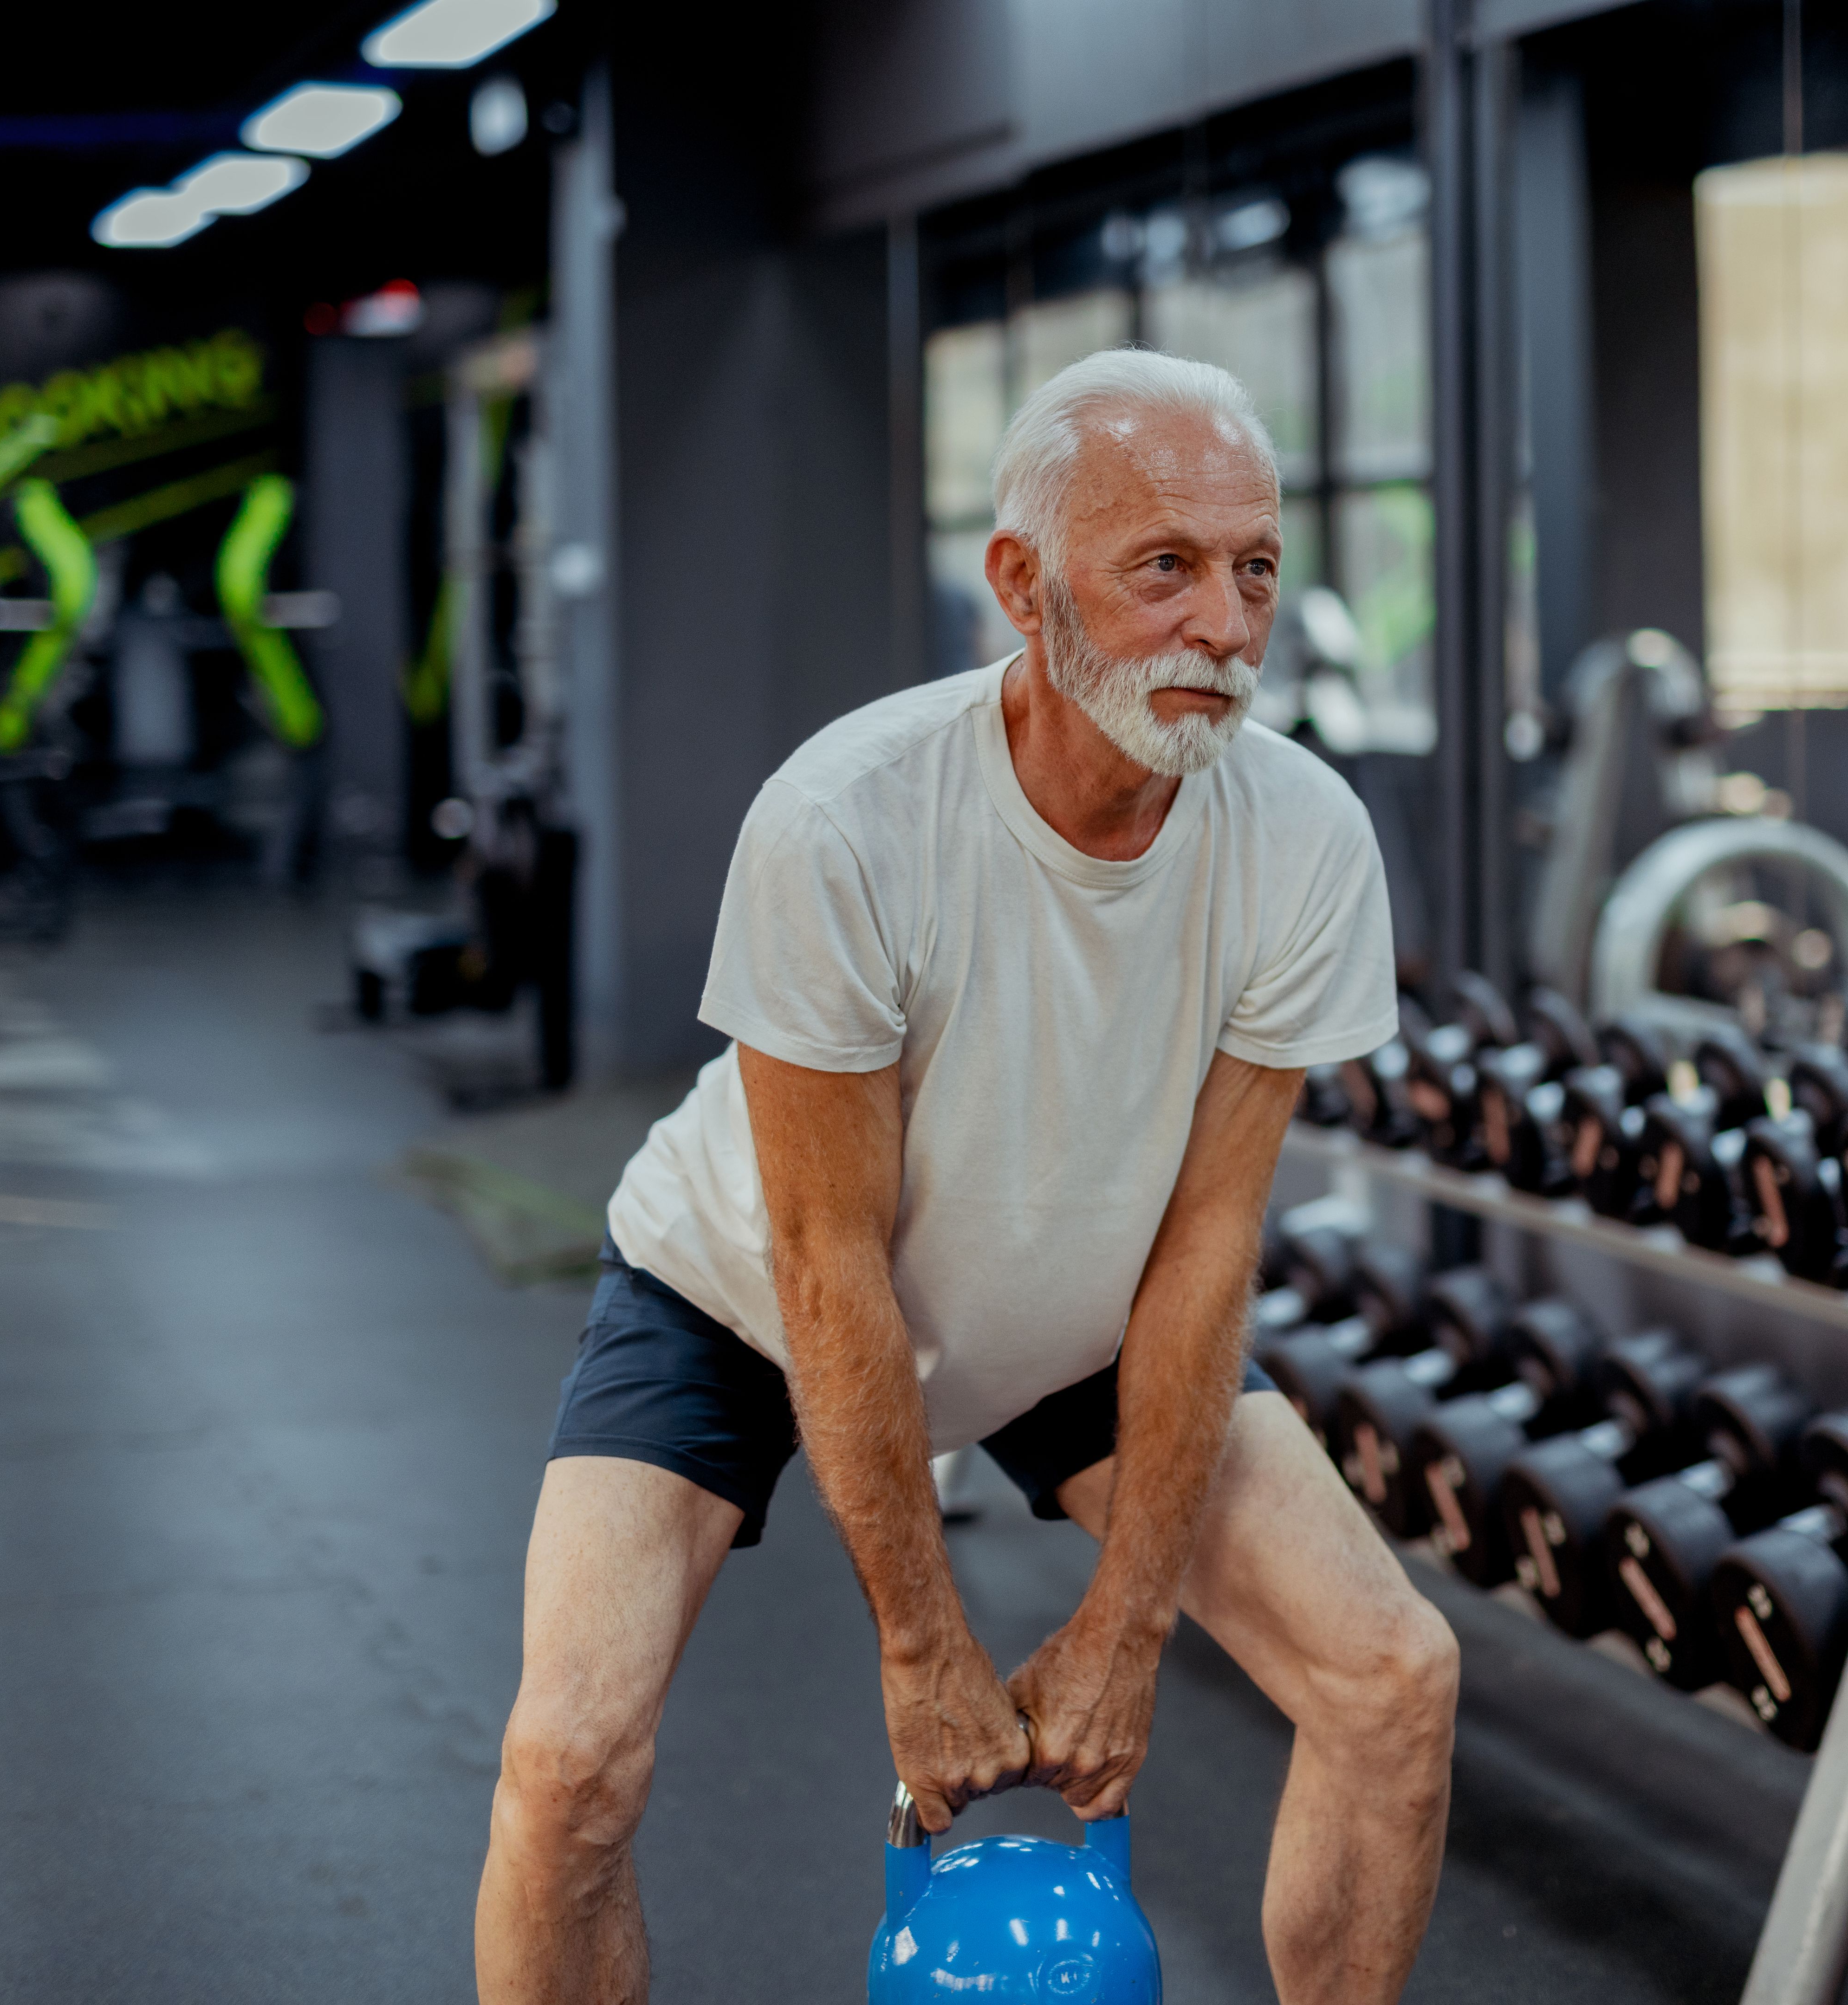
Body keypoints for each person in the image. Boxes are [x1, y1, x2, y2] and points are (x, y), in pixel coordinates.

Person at [474, 349, 1459, 2005]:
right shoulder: (847, 822)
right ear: (1020, 582)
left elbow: (1210, 1244)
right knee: (568, 1757)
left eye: (1254, 567)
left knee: (1390, 1673)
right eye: (1164, 566)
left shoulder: (1300, 836)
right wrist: (925, 1645)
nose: (1224, 620)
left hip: (1076, 1312)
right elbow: (823, 1262)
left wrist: (1126, 1624)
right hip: (733, 1292)